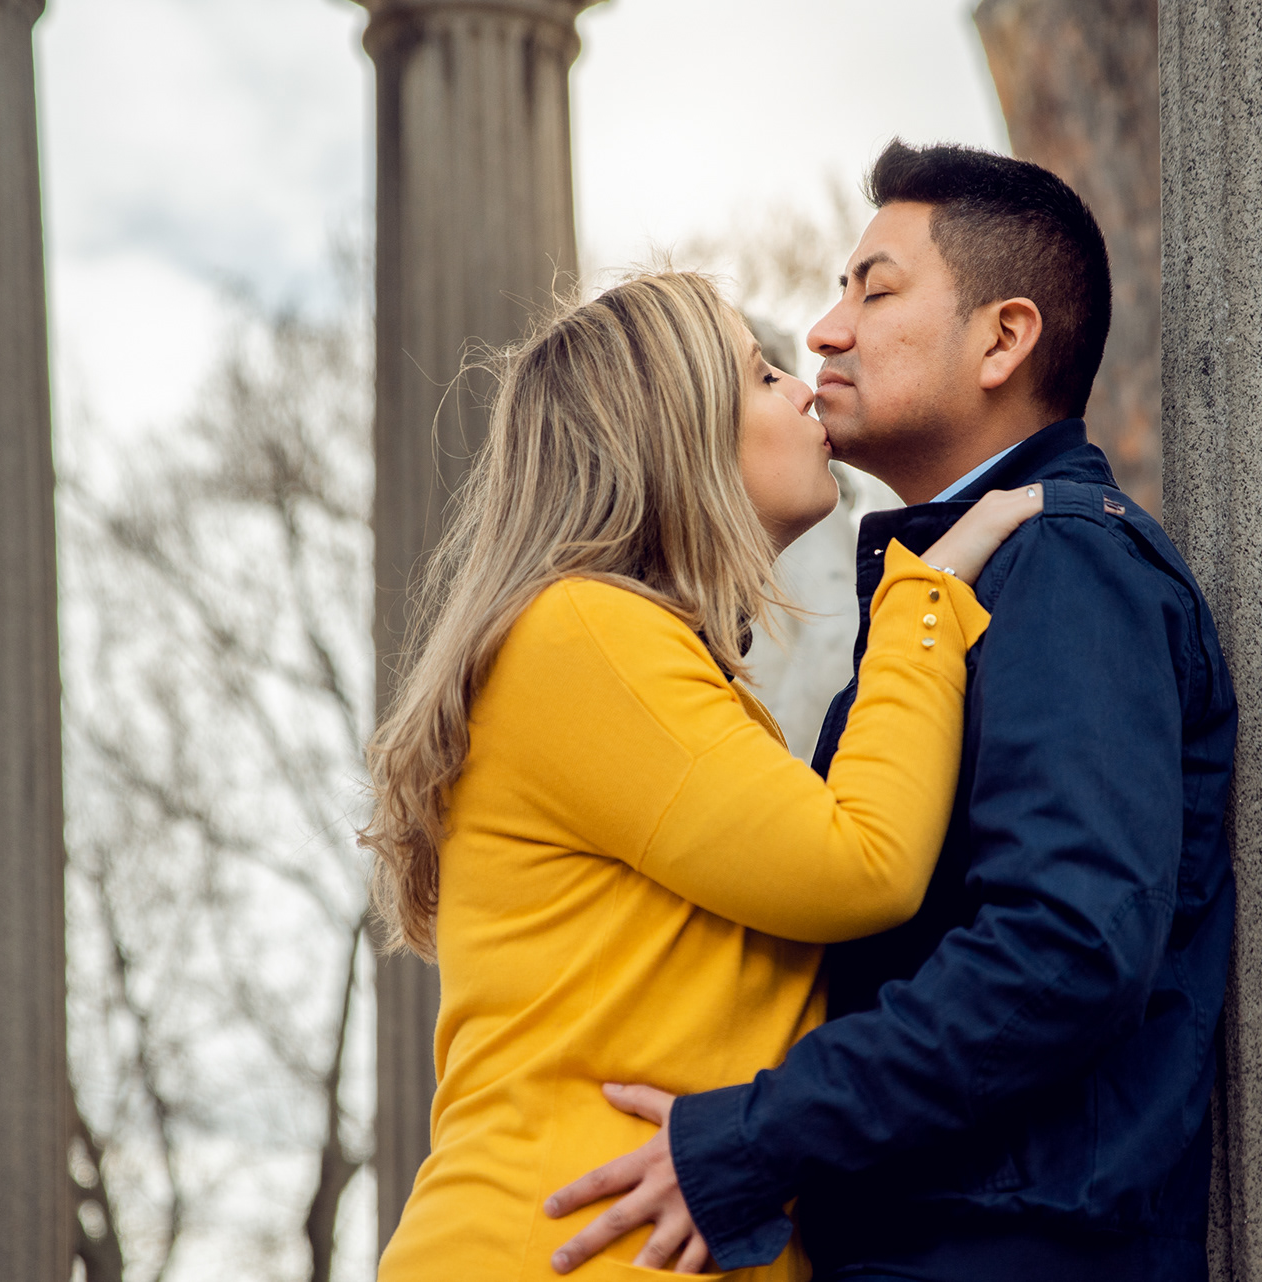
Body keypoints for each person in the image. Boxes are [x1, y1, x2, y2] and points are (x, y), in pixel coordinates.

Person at [545, 143, 1239, 1281]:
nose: (824, 334)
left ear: (1003, 340)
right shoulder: (964, 580)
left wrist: (756, 1137)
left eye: (873, 291)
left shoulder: (1061, 561)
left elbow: (1065, 946)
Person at [362, 270, 1042, 1281]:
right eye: (763, 376)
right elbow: (862, 862)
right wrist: (925, 596)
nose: (805, 387)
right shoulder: (584, 632)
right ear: (677, 436)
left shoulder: (632, 656)